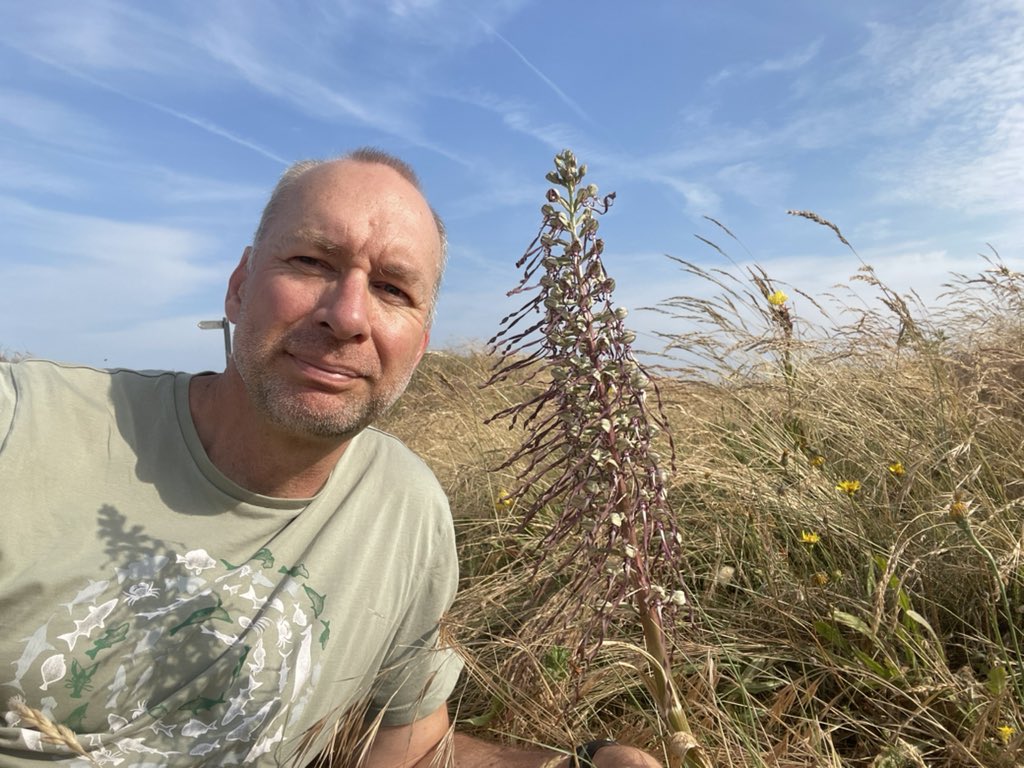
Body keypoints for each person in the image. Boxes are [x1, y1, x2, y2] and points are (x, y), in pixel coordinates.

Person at [0, 149, 660, 767]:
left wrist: (579, 764)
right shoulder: (23, 421)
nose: (347, 316)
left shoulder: (406, 507)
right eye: (312, 263)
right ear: (238, 288)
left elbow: (414, 748)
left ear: (421, 343)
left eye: (394, 290)